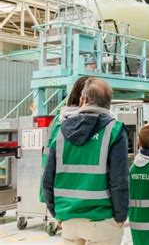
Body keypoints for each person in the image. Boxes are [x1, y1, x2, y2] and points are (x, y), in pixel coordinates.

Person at [42, 77, 129, 245]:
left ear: (83, 99)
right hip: (102, 220)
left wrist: (56, 212)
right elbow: (119, 181)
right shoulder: (115, 131)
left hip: (69, 219)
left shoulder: (60, 131)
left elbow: (47, 178)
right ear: (108, 103)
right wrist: (120, 216)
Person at [40, 76, 89, 203]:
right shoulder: (91, 123)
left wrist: (49, 202)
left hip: (60, 197)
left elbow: (46, 161)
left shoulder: (56, 121)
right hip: (86, 198)